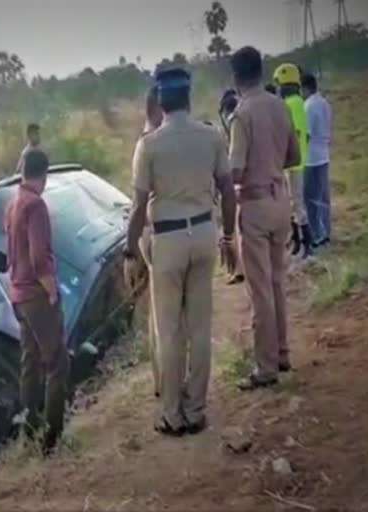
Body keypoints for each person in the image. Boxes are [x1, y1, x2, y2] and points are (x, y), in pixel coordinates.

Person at [124, 63, 237, 436]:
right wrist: (229, 237)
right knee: (201, 328)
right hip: (205, 233)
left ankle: (172, 416)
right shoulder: (210, 136)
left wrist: (130, 252)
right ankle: (196, 409)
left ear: (160, 98)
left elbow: (139, 208)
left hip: (168, 242)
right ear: (188, 96)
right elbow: (227, 191)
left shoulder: (150, 145)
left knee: (170, 332)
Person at [228, 47, 300, 390]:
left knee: (260, 291)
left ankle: (266, 367)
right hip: (280, 199)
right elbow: (292, 156)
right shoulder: (280, 105)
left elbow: (236, 169)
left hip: (255, 206)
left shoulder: (241, 115)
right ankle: (282, 352)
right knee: (277, 283)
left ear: (236, 78)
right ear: (261, 70)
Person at [4, 149, 68, 454]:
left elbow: (11, 255)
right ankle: (52, 437)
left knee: (29, 362)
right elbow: (39, 256)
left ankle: (28, 428)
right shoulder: (36, 205)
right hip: (36, 295)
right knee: (56, 362)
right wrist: (52, 290)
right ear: (44, 174)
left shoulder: (12, 203)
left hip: (17, 295)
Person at [137, 84, 164, 399]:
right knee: (162, 317)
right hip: (154, 232)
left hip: (154, 233)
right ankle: (163, 382)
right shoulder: (149, 143)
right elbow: (140, 202)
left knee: (162, 315)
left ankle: (164, 380)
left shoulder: (150, 141)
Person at [273, 63, 314, 259]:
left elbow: (295, 133)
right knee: (291, 203)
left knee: (297, 203)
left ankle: (307, 245)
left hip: (293, 164)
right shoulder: (295, 102)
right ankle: (297, 243)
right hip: (294, 162)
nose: (278, 89)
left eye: (279, 84)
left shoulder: (293, 104)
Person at [302, 72, 333, 248]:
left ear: (305, 88)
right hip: (323, 155)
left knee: (311, 199)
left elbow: (306, 135)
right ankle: (326, 232)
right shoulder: (324, 103)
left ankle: (317, 236)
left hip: (311, 159)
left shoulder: (308, 106)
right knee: (323, 198)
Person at [218, 89, 245, 285]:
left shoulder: (235, 125)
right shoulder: (235, 125)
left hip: (236, 186)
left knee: (233, 231)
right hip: (241, 186)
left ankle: (238, 269)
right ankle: (239, 268)